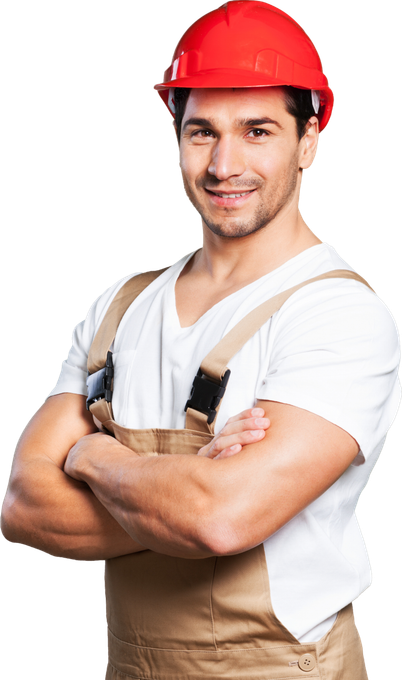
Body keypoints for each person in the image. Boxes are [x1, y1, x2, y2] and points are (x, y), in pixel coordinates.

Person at [1, 1, 401, 678]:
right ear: (175, 138)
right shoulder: (120, 306)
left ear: (309, 141)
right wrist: (183, 493)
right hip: (131, 666)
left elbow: (220, 520)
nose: (224, 164)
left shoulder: (338, 315)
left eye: (257, 131)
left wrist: (97, 458)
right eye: (201, 133)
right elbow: (23, 506)